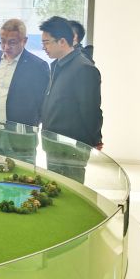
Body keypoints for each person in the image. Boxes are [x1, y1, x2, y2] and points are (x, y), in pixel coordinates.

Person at [39, 15, 103, 182]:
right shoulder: (57, 65)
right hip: (54, 143)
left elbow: (90, 110)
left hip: (71, 146)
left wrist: (95, 139)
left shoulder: (83, 68)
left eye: (46, 42)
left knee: (70, 189)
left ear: (62, 41)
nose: (43, 47)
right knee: (55, 186)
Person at [0, 19, 49, 163]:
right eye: (2, 41)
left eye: (12, 42)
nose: (6, 47)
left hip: (20, 136)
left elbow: (42, 104)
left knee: (22, 174)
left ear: (24, 41)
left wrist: (29, 127)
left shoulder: (38, 66)